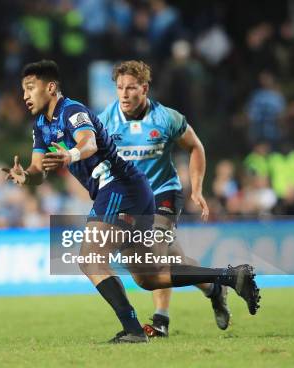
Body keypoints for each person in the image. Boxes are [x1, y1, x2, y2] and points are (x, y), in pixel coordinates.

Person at [4, 59, 260, 343]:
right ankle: (229, 277)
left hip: (121, 187)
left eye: (30, 88)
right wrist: (25, 176)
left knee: (91, 259)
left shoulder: (72, 111)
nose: (25, 95)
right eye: (23, 89)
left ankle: (136, 329)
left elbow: (87, 142)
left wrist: (70, 155)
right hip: (124, 190)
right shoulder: (41, 125)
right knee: (148, 277)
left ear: (50, 87)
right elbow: (39, 170)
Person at [98, 60, 229, 337]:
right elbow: (86, 150)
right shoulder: (105, 120)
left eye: (131, 88)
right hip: (131, 202)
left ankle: (161, 320)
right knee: (170, 263)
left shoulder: (167, 118)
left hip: (163, 193)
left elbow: (195, 146)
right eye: (119, 87)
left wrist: (196, 188)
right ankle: (214, 287)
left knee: (154, 256)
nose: (123, 94)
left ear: (144, 88)